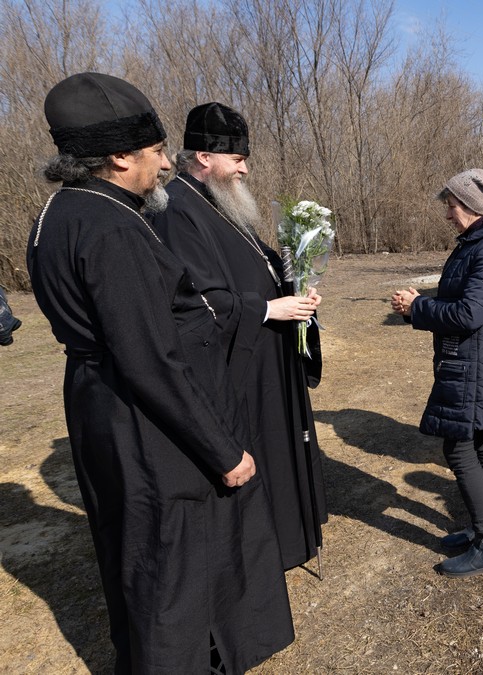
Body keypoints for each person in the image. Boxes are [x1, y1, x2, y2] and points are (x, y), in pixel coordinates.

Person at [26, 73, 292, 673]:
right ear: (120, 156)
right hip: (146, 421)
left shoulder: (60, 211)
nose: (167, 163)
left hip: (103, 402)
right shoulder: (112, 227)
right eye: (156, 151)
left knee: (137, 543)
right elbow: (150, 359)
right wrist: (222, 448)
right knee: (172, 557)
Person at [153, 102, 327, 570]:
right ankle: (270, 547)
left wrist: (298, 286)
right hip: (238, 361)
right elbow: (196, 298)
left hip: (269, 352)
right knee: (259, 446)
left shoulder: (221, 199)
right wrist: (269, 308)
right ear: (204, 157)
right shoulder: (177, 209)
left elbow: (262, 263)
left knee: (282, 444)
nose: (245, 169)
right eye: (237, 159)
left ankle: (292, 538)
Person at [391, 169, 483, 578]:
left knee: (460, 447)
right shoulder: (480, 242)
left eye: (451, 206)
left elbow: (470, 313)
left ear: (471, 205)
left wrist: (418, 307)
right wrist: (420, 305)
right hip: (470, 361)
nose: (448, 214)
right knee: (480, 440)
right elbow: (464, 299)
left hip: (477, 365)